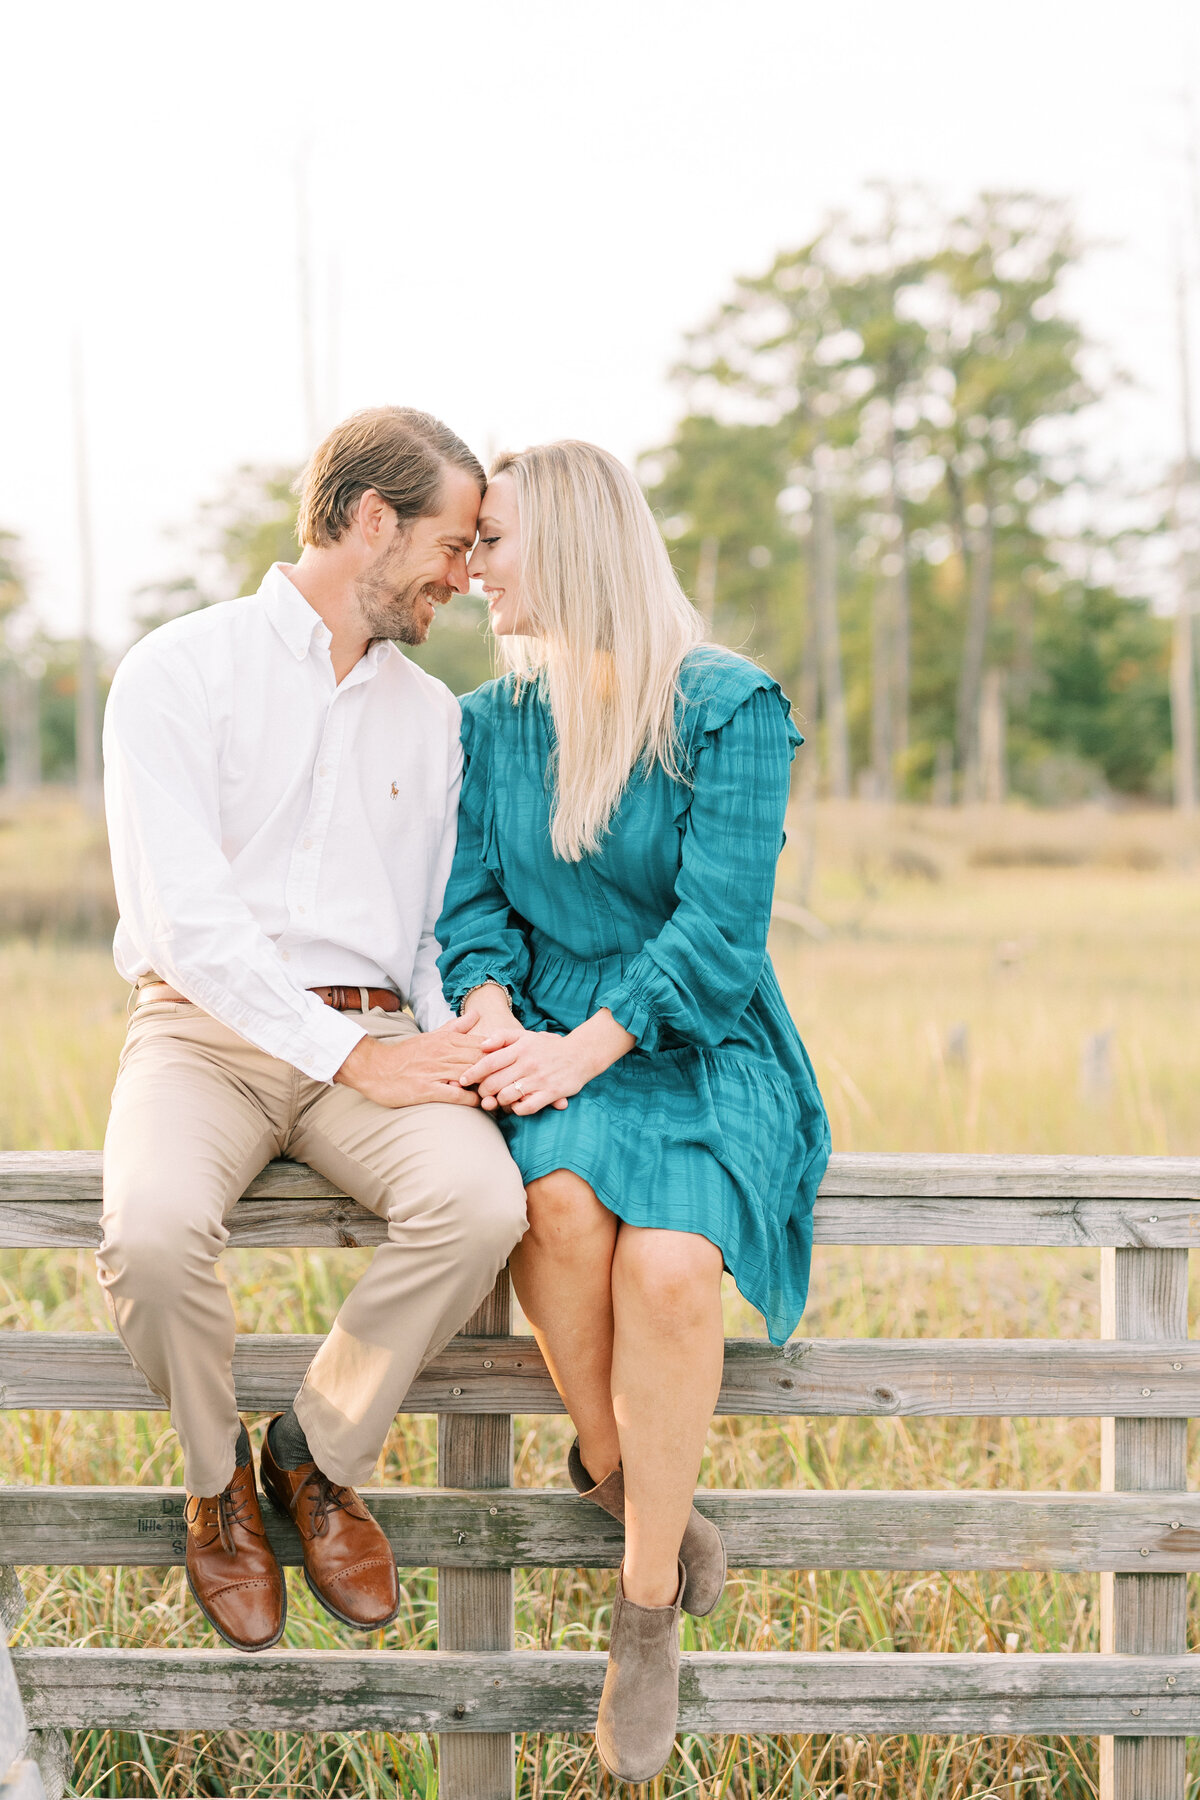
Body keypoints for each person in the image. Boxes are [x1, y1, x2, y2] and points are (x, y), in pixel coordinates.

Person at [98, 406, 528, 1654]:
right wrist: (363, 1059)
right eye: (452, 544)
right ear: (372, 521)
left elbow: (438, 923)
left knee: (481, 1204)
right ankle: (216, 1488)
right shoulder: (177, 671)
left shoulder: (434, 717)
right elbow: (188, 925)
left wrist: (460, 1039)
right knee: (158, 1232)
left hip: (377, 1039)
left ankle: (314, 1453)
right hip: (204, 1036)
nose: (467, 573)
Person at [436, 440, 831, 1783]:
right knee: (551, 1205)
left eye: (493, 538)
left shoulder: (729, 710)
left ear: (580, 545)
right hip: (549, 1040)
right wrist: (492, 1013)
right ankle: (621, 1475)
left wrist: (583, 1051)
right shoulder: (491, 724)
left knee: (668, 1272)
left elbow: (722, 934)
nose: (471, 563)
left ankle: (644, 1606)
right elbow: (470, 906)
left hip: (698, 1041)